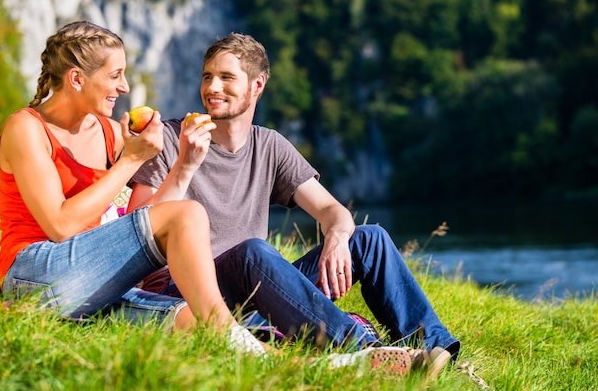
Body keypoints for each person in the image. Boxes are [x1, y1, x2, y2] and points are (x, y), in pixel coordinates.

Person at [128, 33, 458, 376]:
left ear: (257, 85)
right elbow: (138, 229)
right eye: (208, 76)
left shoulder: (269, 145)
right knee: (251, 252)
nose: (213, 87)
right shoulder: (171, 138)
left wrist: (336, 236)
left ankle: (438, 352)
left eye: (227, 78)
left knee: (369, 239)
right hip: (186, 291)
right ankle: (367, 352)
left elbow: (333, 211)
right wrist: (185, 164)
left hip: (252, 294)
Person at [0, 21, 269, 356]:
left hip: (86, 281)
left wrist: (183, 163)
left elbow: (146, 222)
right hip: (32, 279)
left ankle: (310, 366)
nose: (124, 87)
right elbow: (60, 226)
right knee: (188, 214)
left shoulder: (110, 132)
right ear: (77, 79)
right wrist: (130, 161)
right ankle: (227, 331)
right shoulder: (26, 128)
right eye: (115, 75)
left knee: (195, 324)